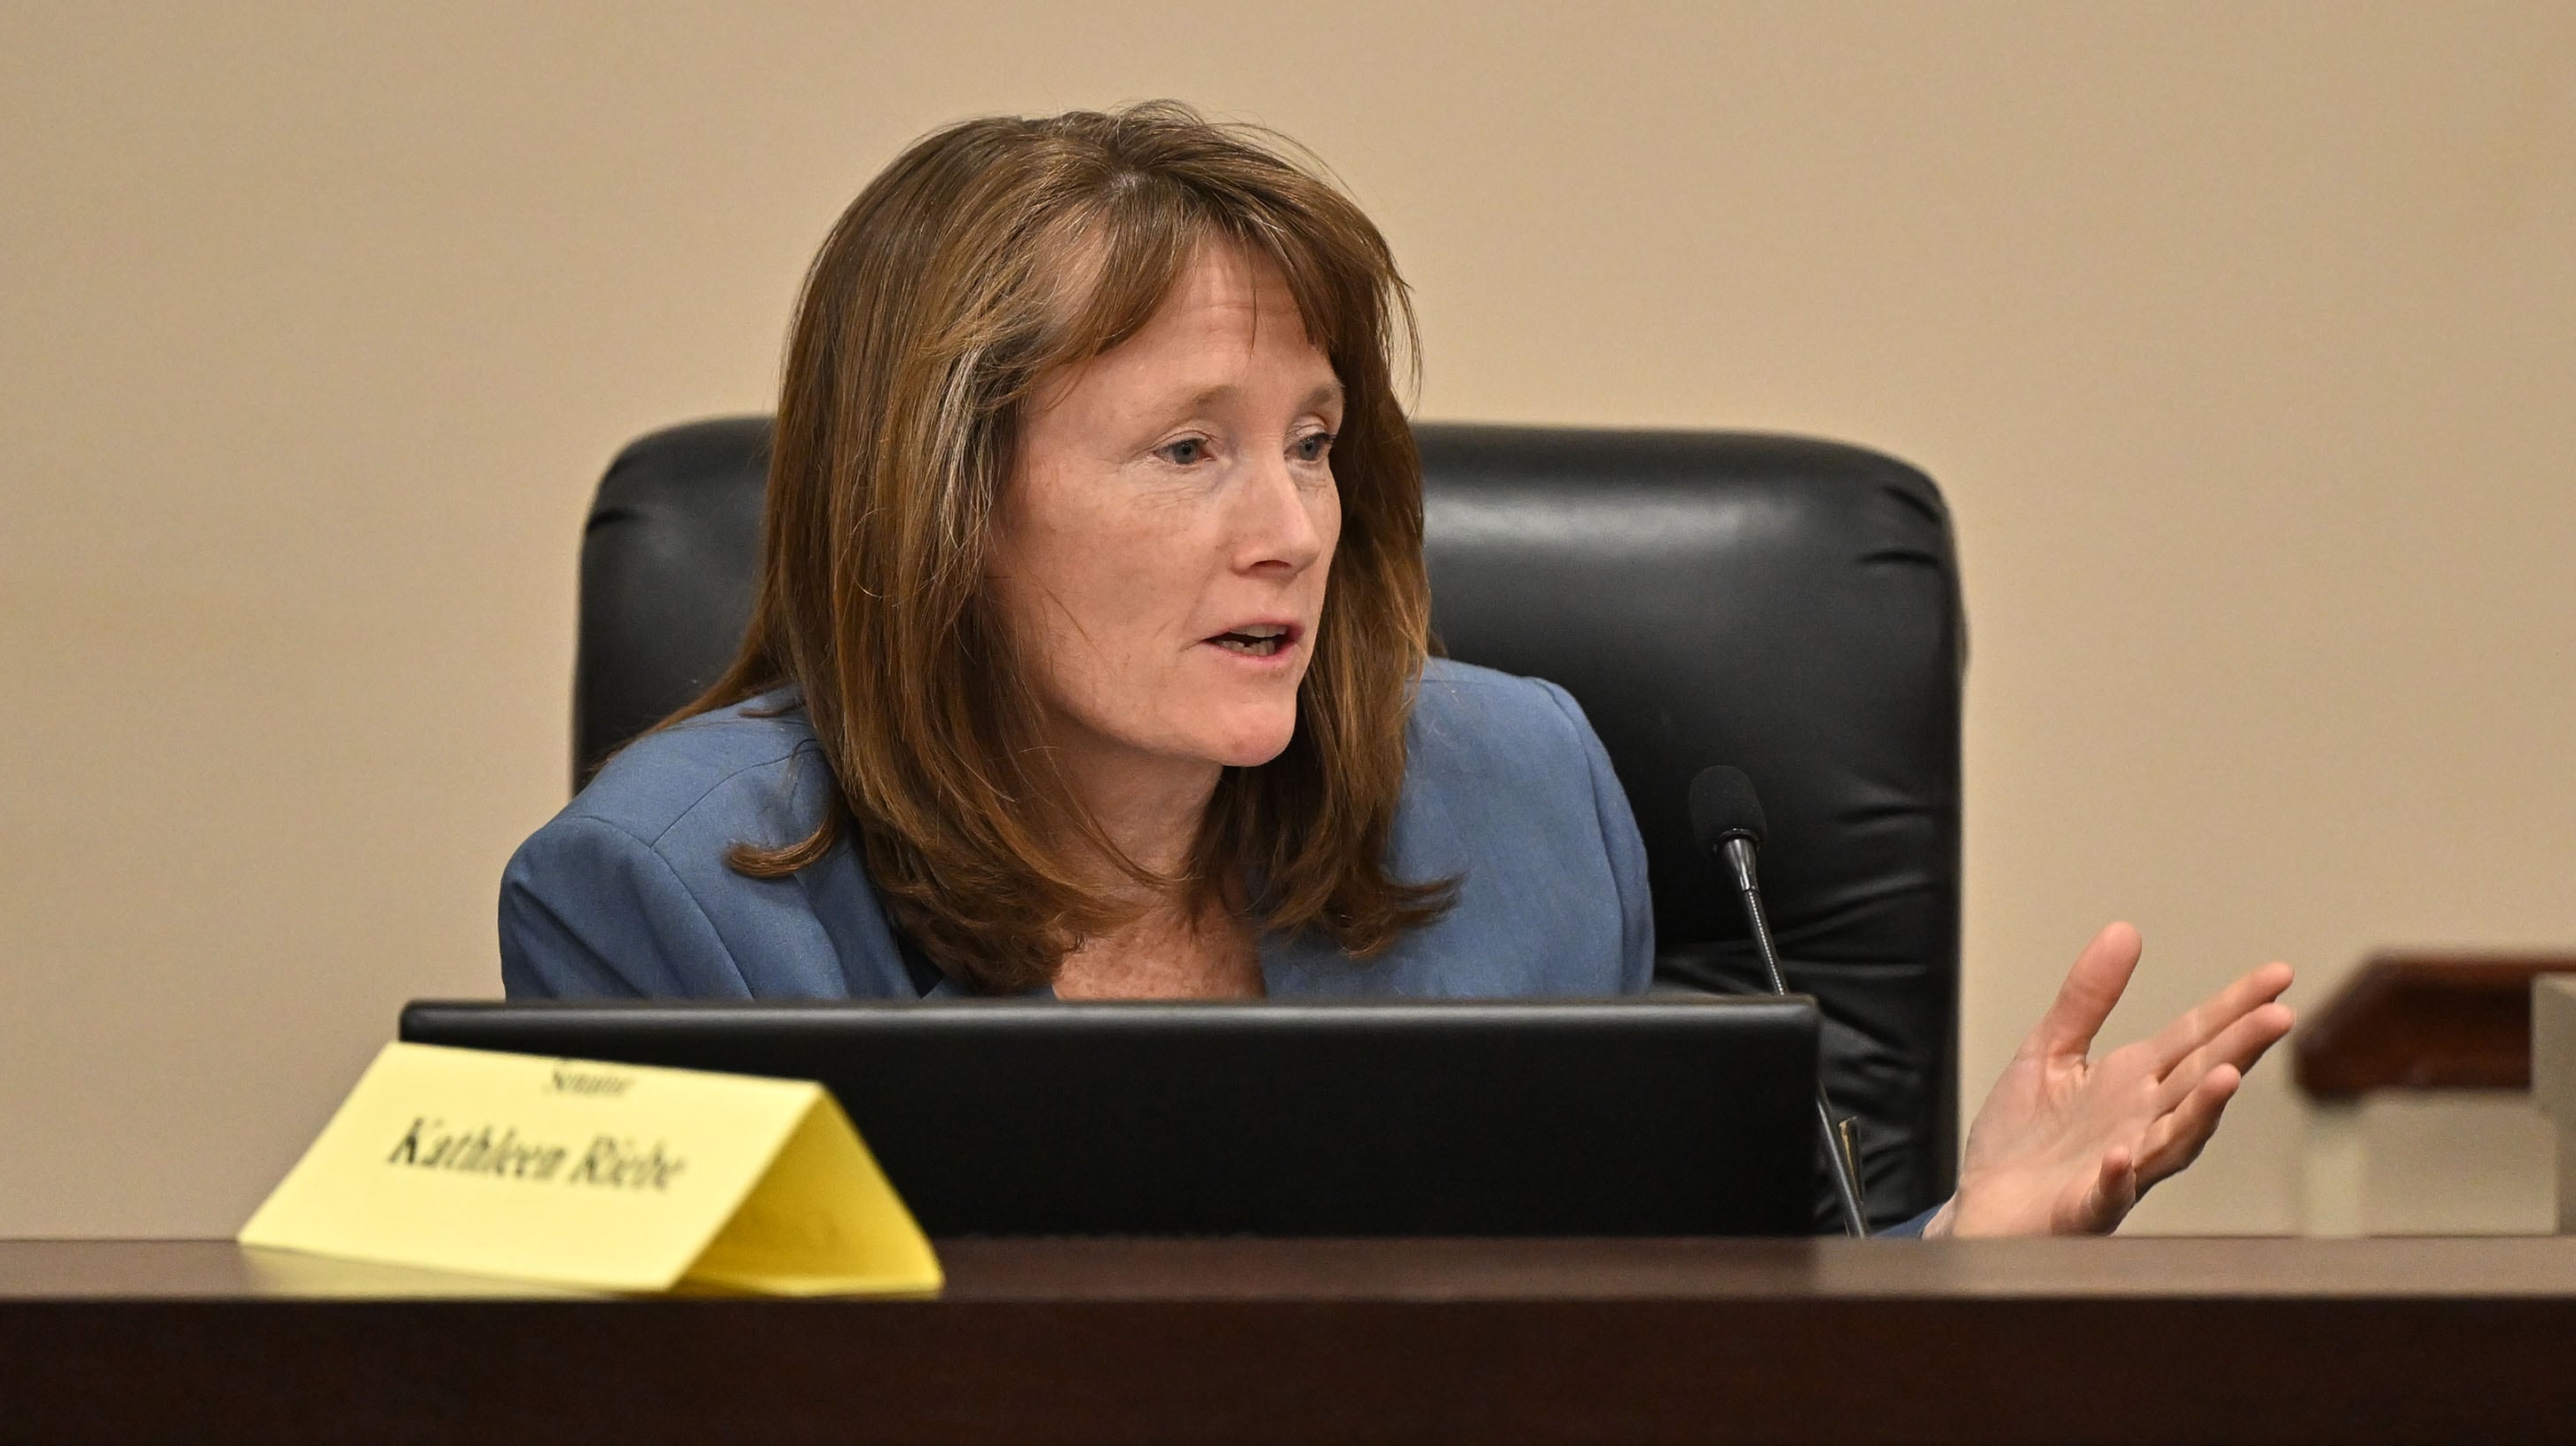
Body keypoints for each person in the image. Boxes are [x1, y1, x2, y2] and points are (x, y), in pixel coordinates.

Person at [500, 101, 2294, 1237]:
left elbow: (1683, 1359)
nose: (1288, 526)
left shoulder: (1511, 791)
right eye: (1189, 451)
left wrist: (1966, 1249)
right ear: (946, 502)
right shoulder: (664, 893)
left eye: (1316, 439)